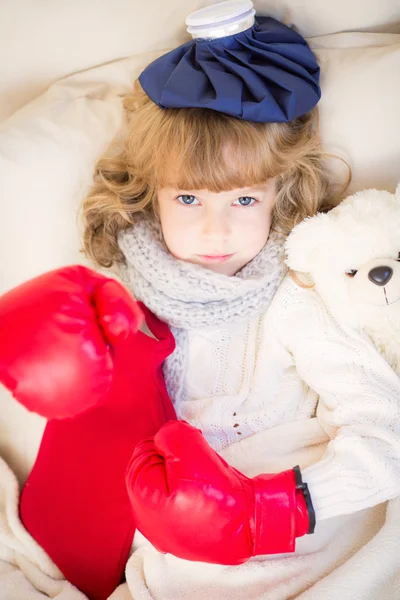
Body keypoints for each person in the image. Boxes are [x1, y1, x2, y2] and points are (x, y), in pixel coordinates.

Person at [1, 2, 399, 599]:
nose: (217, 232)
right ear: (151, 196)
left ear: (278, 195)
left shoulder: (297, 297)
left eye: (242, 201)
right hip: (176, 551)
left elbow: (384, 431)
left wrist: (276, 510)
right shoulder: (120, 305)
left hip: (305, 526)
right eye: (189, 199)